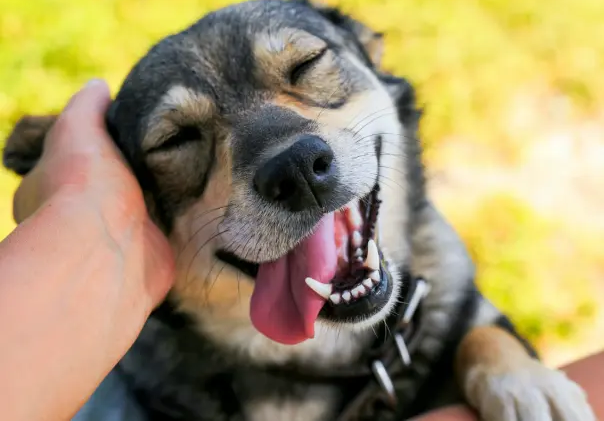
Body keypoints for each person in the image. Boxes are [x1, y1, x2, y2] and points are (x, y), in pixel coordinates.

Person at [0, 79, 601, 421]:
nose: (288, 155)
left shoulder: (432, 267)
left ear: (374, 66)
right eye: (180, 137)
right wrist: (83, 217)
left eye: (308, 66)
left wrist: (488, 353)